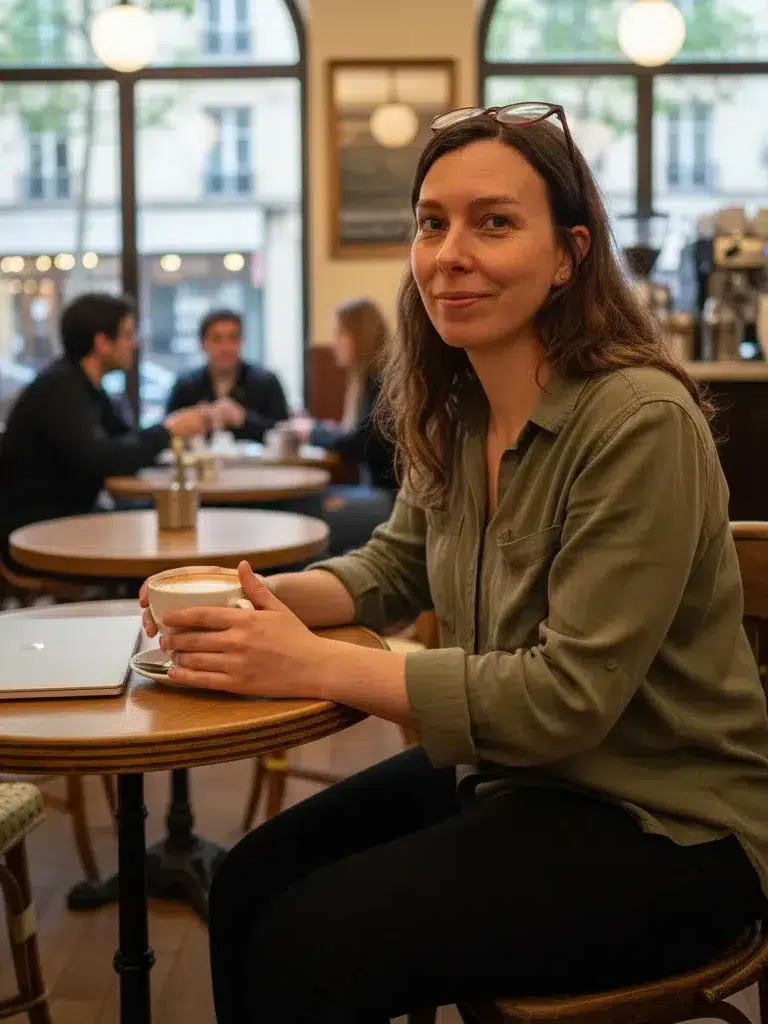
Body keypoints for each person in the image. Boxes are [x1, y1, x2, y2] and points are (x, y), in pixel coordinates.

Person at [140, 104, 768, 1022]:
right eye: (433, 222)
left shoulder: (638, 422)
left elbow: (564, 701)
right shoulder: (461, 408)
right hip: (514, 777)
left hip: (668, 825)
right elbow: (392, 569)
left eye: (495, 222)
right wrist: (246, 602)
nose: (449, 251)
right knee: (245, 885)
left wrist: (313, 662)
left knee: (308, 945)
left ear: (570, 255)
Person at [0, 292, 206, 571]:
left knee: (170, 524)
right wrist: (168, 431)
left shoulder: (88, 387)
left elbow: (126, 444)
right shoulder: (60, 389)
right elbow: (103, 458)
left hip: (73, 517)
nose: (135, 344)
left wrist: (162, 433)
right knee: (162, 533)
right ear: (102, 343)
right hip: (40, 530)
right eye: (128, 335)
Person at [288, 298, 397, 555]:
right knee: (303, 508)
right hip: (376, 493)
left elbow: (358, 442)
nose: (333, 342)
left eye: (339, 333)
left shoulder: (382, 384)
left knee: (308, 519)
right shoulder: (370, 381)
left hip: (393, 502)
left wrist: (311, 432)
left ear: (358, 338)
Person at [165, 309, 289, 442]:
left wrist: (243, 418)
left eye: (233, 338)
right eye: (217, 339)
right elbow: (167, 432)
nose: (226, 347)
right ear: (203, 344)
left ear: (242, 341)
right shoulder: (185, 385)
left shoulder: (266, 382)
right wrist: (196, 420)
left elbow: (286, 433)